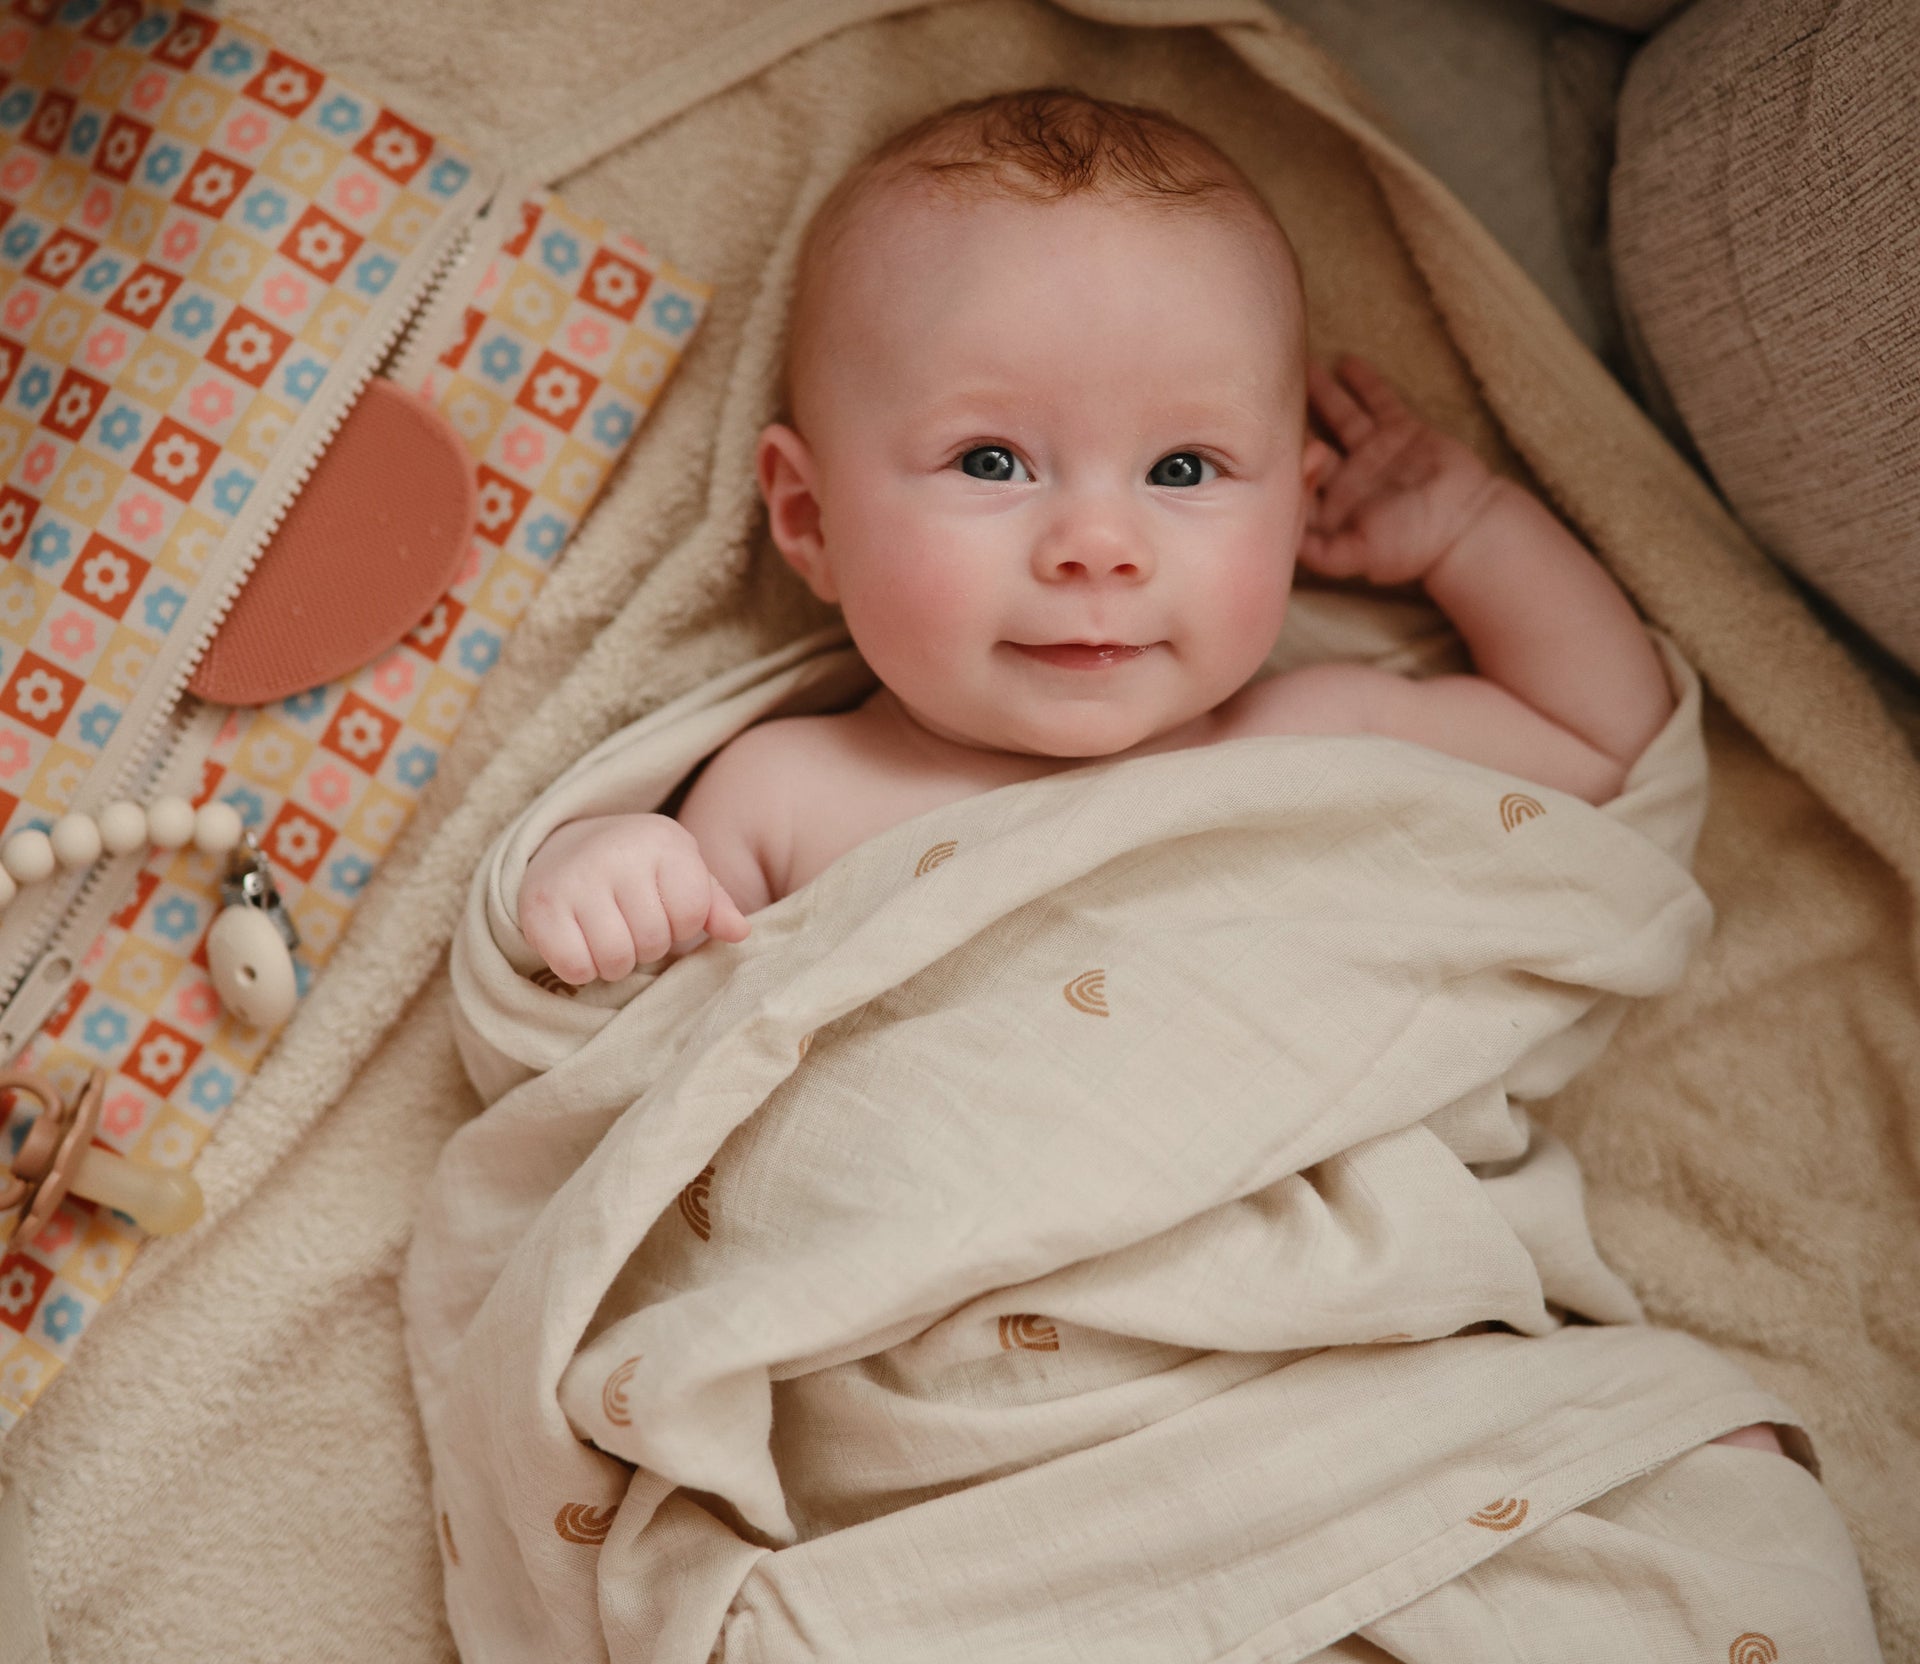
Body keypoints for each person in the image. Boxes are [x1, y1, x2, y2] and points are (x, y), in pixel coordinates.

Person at [516, 87, 1780, 1465]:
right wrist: (600, 870)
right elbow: (626, 1061)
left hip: (1359, 1362)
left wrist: (1471, 528)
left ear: (1295, 507)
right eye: (992, 460)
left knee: (1702, 1489)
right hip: (989, 1422)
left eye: (1184, 467)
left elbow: (1604, 745)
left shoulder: (1322, 737)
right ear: (811, 518)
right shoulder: (791, 787)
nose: (1099, 543)